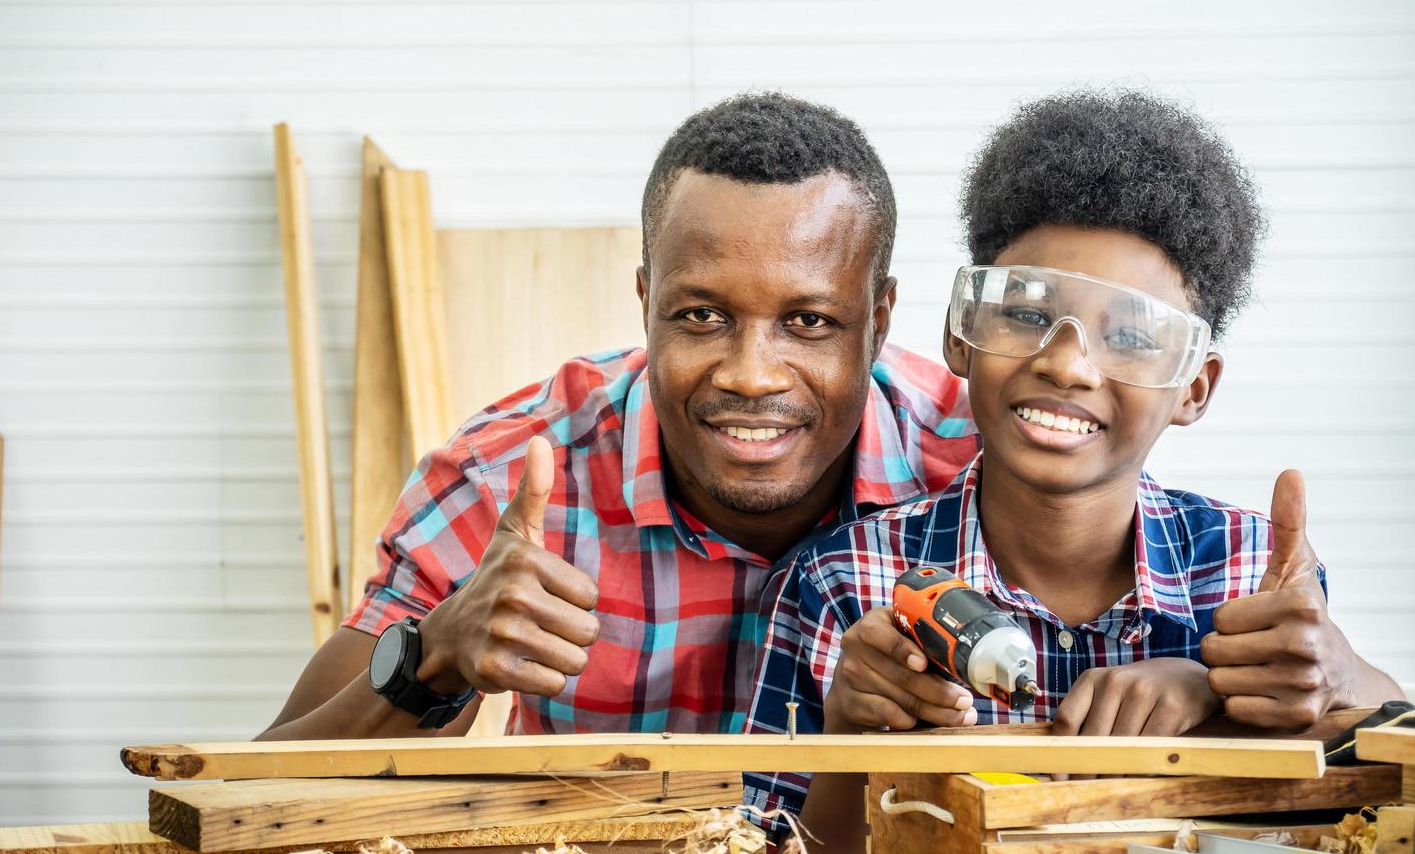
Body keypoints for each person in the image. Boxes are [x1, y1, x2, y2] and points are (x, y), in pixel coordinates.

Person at [741, 89, 1403, 850]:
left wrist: (1300, 679)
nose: (1065, 363)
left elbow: (1367, 791)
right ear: (962, 335)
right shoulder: (843, 583)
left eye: (1130, 335)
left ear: (1195, 387)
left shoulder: (1254, 573)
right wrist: (854, 738)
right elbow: (772, 841)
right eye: (1025, 314)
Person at [257, 92, 980, 740]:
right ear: (645, 301)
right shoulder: (508, 478)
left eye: (810, 321)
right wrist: (435, 660)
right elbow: (257, 790)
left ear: (878, 319)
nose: (751, 375)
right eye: (702, 315)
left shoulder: (975, 469)